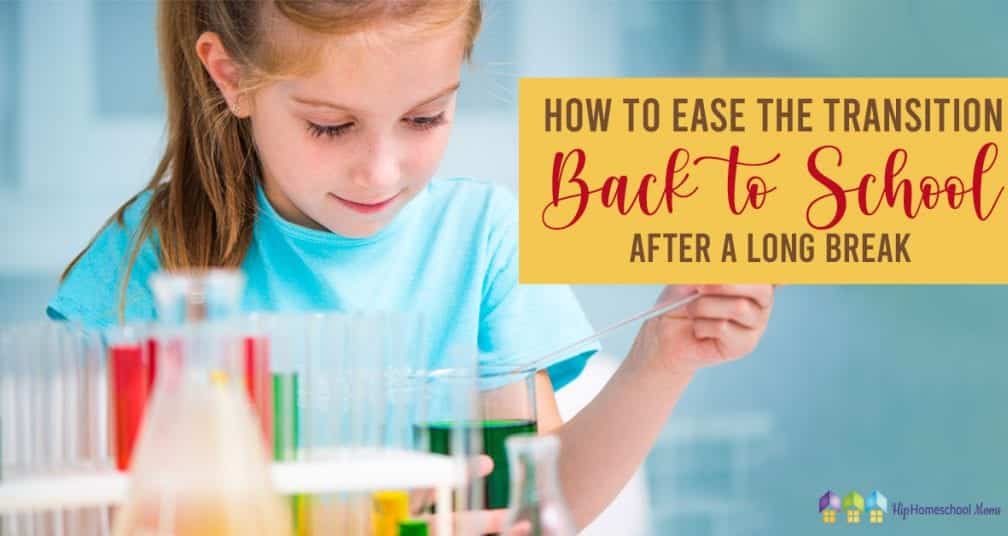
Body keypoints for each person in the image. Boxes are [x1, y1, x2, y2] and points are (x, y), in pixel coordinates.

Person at [48, 1, 774, 532]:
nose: (381, 171)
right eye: (330, 126)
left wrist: (660, 361)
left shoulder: (483, 239)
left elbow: (533, 503)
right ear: (230, 76)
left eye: (426, 118)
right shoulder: (149, 264)